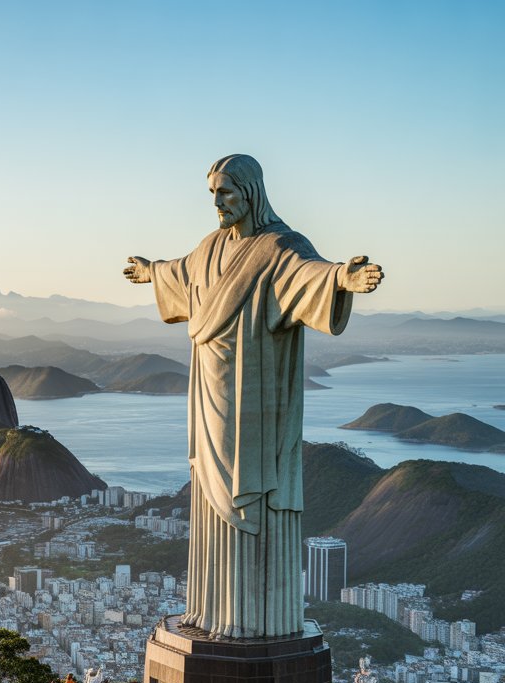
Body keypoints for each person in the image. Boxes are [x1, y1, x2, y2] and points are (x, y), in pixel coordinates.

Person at [124, 155, 384, 639]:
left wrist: (341, 279)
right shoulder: (208, 249)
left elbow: (311, 276)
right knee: (211, 500)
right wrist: (151, 271)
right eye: (213, 194)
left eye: (225, 192)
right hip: (208, 394)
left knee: (252, 501)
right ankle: (211, 611)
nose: (218, 203)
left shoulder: (280, 247)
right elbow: (179, 274)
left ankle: (255, 621)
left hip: (254, 410)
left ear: (251, 191)